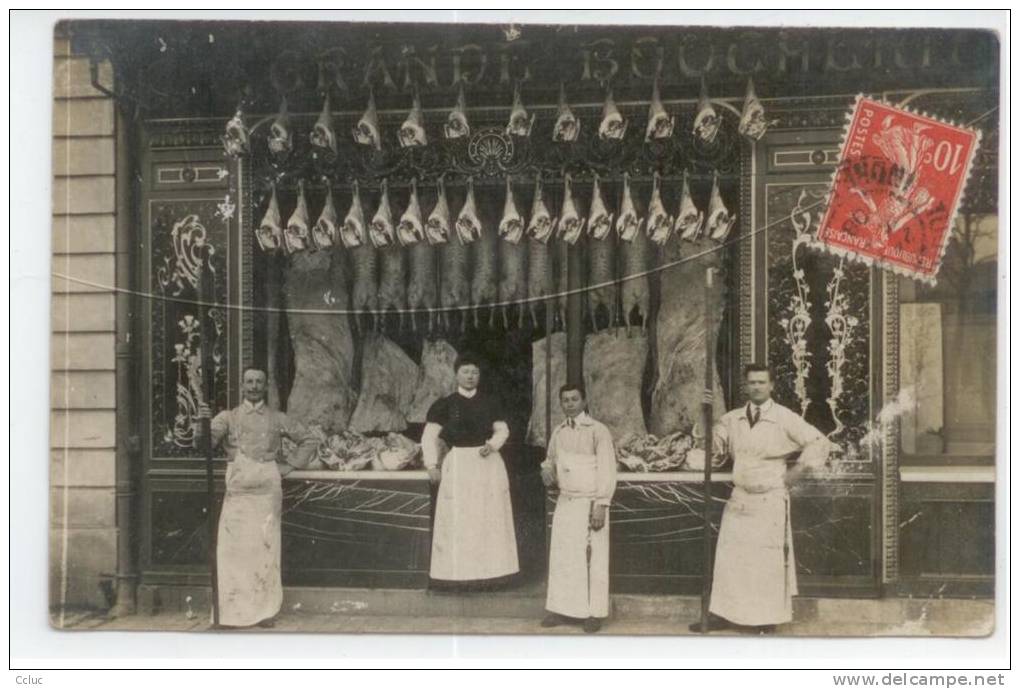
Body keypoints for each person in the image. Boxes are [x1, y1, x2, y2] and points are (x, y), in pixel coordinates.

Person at [691, 363, 830, 634]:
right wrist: (703, 414)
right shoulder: (732, 419)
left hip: (769, 499)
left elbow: (819, 442)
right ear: (746, 386)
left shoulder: (783, 417)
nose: (756, 387)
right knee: (731, 560)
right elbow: (712, 447)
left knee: (764, 562)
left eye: (761, 382)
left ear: (771, 385)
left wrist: (798, 470)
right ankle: (723, 614)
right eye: (752, 382)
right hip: (740, 498)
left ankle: (763, 619)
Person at [197, 367, 318, 628]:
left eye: (259, 382)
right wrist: (202, 422)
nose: (253, 386)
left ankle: (264, 612)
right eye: (249, 382)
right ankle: (229, 614)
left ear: (265, 386)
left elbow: (308, 439)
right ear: (241, 385)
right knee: (232, 552)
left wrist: (291, 465)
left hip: (266, 493)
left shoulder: (277, 418)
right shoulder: (228, 417)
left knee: (264, 550)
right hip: (239, 494)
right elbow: (204, 445)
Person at [422, 354, 519, 588]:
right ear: (456, 374)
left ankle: (492, 576)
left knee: (488, 518)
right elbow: (429, 438)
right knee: (459, 519)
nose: (470, 376)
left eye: (474, 372)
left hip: (487, 465)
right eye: (465, 371)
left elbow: (502, 430)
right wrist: (432, 465)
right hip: (459, 466)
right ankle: (457, 578)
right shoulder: (444, 405)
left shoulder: (490, 402)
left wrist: (492, 445)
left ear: (480, 376)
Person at [540, 384, 618, 633]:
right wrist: (547, 471)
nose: (570, 404)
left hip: (591, 502)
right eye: (565, 400)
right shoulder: (559, 432)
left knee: (594, 559)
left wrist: (601, 504)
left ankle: (594, 613)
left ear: (584, 401)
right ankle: (561, 609)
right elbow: (550, 459)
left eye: (574, 399)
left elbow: (607, 468)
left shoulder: (598, 431)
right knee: (563, 557)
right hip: (566, 502)